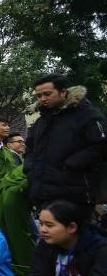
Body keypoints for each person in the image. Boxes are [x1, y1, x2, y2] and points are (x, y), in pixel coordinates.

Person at [25, 74, 107, 207]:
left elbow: (100, 146)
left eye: (47, 94)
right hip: (42, 193)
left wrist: (69, 165)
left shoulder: (87, 115)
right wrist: (30, 169)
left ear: (63, 92)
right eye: (39, 96)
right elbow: (30, 148)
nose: (42, 99)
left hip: (75, 193)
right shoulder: (40, 122)